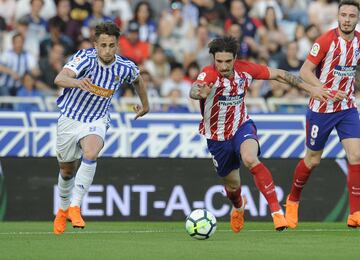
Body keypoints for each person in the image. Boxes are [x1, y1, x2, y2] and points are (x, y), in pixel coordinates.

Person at [189, 36, 331, 232]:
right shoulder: (208, 75)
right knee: (232, 187)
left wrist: (311, 89)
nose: (223, 66)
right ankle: (238, 207)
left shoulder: (246, 69)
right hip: (217, 138)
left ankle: (276, 213)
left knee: (250, 159)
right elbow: (194, 89)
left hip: (242, 126)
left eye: (228, 61)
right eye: (219, 61)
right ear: (213, 59)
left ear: (235, 58)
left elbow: (280, 74)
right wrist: (198, 92)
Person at [53, 22, 149, 235]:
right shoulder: (85, 59)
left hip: (97, 118)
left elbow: (138, 81)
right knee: (66, 170)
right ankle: (62, 210)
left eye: (112, 45)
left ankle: (76, 207)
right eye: (103, 45)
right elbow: (59, 78)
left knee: (91, 152)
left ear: (117, 46)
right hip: (70, 118)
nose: (107, 50)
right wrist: (77, 82)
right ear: (95, 45)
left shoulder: (124, 66)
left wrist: (146, 105)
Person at [285, 0, 360, 229]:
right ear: (337, 16)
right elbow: (305, 71)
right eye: (343, 15)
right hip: (321, 110)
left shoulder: (358, 42)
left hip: (347, 107)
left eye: (351, 16)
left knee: (356, 156)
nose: (347, 19)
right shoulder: (326, 40)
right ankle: (293, 200)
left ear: (357, 19)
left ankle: (355, 213)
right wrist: (325, 91)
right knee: (313, 159)